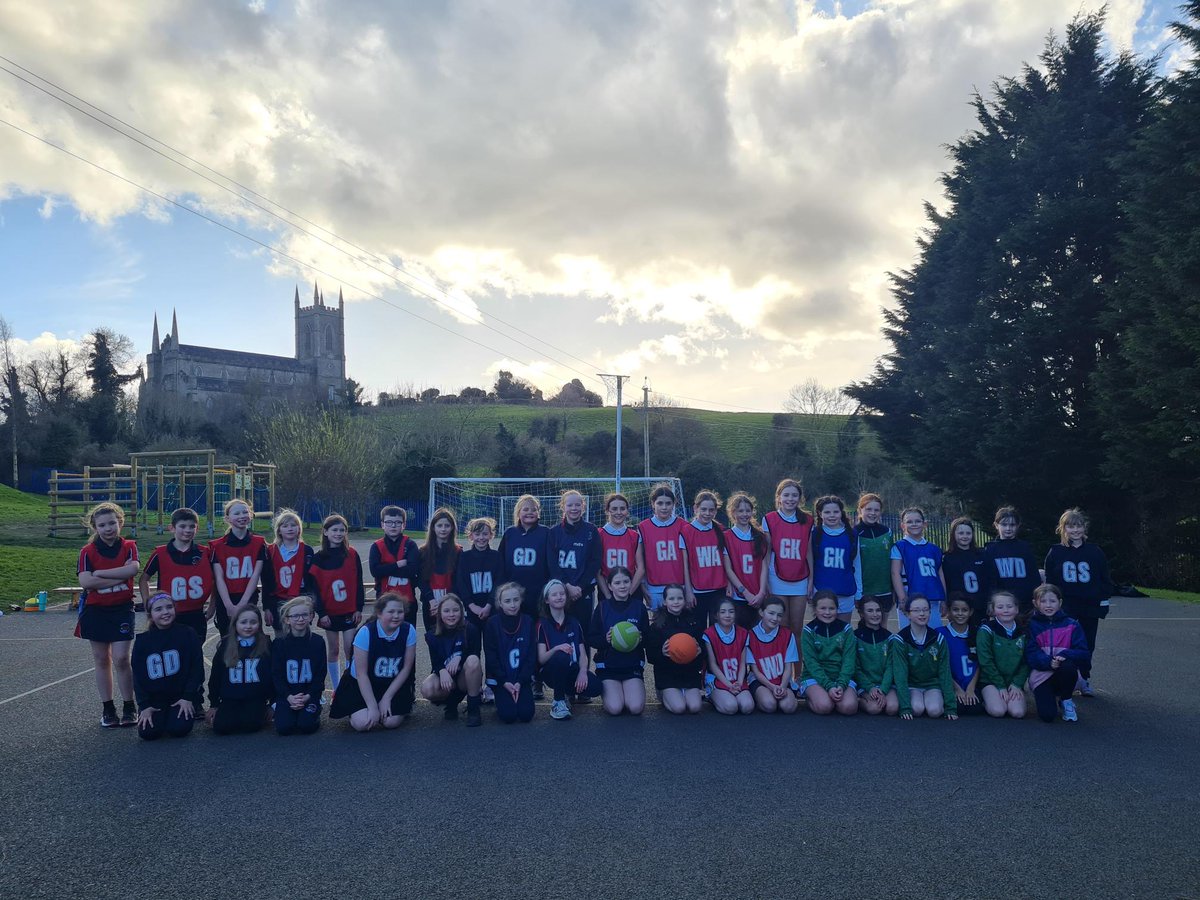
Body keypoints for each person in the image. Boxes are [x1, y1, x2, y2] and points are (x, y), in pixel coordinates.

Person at [76, 501, 141, 728]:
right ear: (95, 527)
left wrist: (101, 574)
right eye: (102, 525)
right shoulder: (87, 552)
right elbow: (85, 581)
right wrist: (119, 575)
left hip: (122, 609)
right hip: (96, 611)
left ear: (120, 522)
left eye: (112, 523)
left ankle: (130, 706)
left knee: (122, 659)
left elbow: (132, 570)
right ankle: (108, 708)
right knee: (101, 659)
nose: (108, 528)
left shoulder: (129, 546)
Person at [1044, 508, 1113, 696]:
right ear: (1063, 529)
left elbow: (1104, 579)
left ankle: (1084, 678)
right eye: (1071, 526)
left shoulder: (1094, 551)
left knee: (1087, 644)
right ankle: (1063, 679)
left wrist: (1101, 601)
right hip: (1067, 607)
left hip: (1089, 607)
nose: (1075, 530)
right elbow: (1050, 582)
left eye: (1079, 526)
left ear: (1084, 528)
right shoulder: (1056, 552)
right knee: (1064, 644)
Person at [328, 593, 417, 731]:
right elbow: (361, 674)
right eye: (391, 611)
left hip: (391, 683)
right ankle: (356, 711)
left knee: (390, 723)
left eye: (400, 611)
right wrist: (372, 706)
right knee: (363, 724)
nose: (396, 615)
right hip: (364, 683)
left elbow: (406, 668)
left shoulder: (408, 630)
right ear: (380, 614)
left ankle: (396, 706)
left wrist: (387, 698)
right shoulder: (366, 632)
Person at [132, 593, 204, 741]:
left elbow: (196, 668)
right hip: (155, 699)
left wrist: (188, 697)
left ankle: (176, 714)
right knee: (148, 733)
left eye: (169, 607)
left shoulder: (188, 633)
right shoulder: (143, 641)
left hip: (179, 696)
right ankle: (159, 715)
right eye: (158, 609)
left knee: (179, 729)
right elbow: (137, 676)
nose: (165, 612)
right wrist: (144, 705)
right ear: (150, 615)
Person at [305, 513, 365, 690]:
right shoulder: (318, 558)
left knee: (350, 650)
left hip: (349, 611)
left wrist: (358, 608)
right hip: (329, 614)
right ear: (325, 532)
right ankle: (337, 688)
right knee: (333, 650)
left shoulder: (352, 554)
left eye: (342, 530)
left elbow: (358, 582)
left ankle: (349, 687)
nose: (338, 533)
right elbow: (314, 590)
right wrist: (321, 613)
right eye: (334, 530)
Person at [139, 507, 213, 645]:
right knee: (169, 653)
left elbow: (216, 581)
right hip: (168, 614)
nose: (188, 530)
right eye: (182, 526)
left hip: (196, 614)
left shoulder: (205, 553)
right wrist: (148, 604)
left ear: (197, 529)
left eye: (192, 526)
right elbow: (144, 579)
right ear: (172, 528)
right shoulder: (160, 553)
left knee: (194, 654)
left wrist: (212, 607)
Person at [1025, 584, 1090, 723]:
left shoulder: (1072, 624)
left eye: (1052, 601)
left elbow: (1083, 652)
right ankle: (1050, 697)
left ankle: (1066, 699)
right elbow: (1030, 654)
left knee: (1067, 665)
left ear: (1060, 602)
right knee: (1047, 716)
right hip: (1042, 675)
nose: (1048, 605)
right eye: (1043, 601)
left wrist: (1065, 655)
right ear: (1035, 603)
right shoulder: (1031, 625)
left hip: (1065, 673)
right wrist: (1048, 662)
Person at [589, 566, 650, 716]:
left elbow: (648, 639)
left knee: (635, 708)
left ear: (631, 583)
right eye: (617, 583)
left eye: (626, 581)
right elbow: (591, 638)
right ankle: (612, 692)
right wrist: (606, 639)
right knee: (615, 708)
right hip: (609, 666)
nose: (622, 586)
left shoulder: (639, 607)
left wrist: (641, 639)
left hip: (631, 665)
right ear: (609, 586)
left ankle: (629, 689)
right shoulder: (602, 608)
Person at [537, 579, 601, 720]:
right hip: (551, 671)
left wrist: (583, 672)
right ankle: (558, 702)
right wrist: (556, 649)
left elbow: (582, 654)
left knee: (596, 687)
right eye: (554, 595)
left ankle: (567, 692)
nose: (559, 597)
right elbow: (541, 658)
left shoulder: (574, 622)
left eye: (562, 594)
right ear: (547, 600)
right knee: (561, 656)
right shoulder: (543, 624)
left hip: (573, 670)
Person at [206, 606, 273, 735]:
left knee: (251, 725)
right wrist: (214, 704)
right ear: (235, 623)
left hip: (255, 697)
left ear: (259, 624)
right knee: (221, 727)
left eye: (253, 622)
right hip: (231, 698)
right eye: (243, 622)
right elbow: (216, 676)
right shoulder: (225, 645)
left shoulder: (266, 644)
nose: (248, 626)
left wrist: (272, 703)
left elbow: (272, 675)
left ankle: (257, 712)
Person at [762, 478, 814, 645]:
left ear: (800, 498)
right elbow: (767, 553)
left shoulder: (807, 520)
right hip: (777, 577)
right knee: (781, 626)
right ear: (779, 497)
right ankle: (781, 669)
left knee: (796, 628)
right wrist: (766, 581)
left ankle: (797, 671)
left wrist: (811, 580)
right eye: (786, 495)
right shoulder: (769, 519)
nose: (790, 499)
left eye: (794, 495)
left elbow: (808, 552)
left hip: (800, 579)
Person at [419, 593, 484, 727]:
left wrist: (459, 658)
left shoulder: (470, 629)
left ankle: (473, 709)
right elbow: (436, 661)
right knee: (427, 688)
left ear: (461, 611)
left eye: (455, 610)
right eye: (446, 611)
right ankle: (451, 703)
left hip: (463, 677)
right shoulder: (433, 634)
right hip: (447, 676)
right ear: (439, 613)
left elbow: (475, 654)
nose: (451, 614)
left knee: (472, 661)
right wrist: (442, 671)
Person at [890, 594, 957, 721]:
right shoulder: (900, 640)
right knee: (916, 708)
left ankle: (937, 701)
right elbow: (900, 674)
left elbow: (945, 672)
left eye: (925, 610)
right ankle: (914, 701)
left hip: (932, 685)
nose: (922, 614)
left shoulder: (938, 638)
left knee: (935, 711)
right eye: (916, 610)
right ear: (908, 614)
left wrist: (950, 707)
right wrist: (905, 707)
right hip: (912, 685)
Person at [547, 490, 602, 642]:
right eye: (570, 505)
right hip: (560, 591)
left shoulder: (591, 531)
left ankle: (583, 666)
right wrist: (567, 586)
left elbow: (595, 561)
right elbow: (552, 564)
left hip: (583, 592)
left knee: (583, 633)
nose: (574, 508)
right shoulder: (554, 532)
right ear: (563, 507)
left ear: (583, 507)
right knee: (560, 632)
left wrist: (580, 586)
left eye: (578, 505)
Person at [208, 498, 267, 638]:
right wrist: (228, 605)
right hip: (225, 598)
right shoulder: (217, 546)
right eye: (236, 513)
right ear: (228, 518)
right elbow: (219, 578)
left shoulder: (259, 543)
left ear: (251, 515)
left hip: (248, 597)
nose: (241, 516)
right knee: (227, 639)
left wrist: (243, 603)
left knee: (252, 639)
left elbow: (255, 575)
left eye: (245, 512)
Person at [271, 595, 326, 736]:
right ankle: (281, 708)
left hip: (309, 695)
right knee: (284, 728)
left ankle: (314, 710)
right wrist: (288, 696)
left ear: (311, 616)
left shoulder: (318, 642)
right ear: (287, 619)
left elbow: (320, 675)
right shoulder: (279, 643)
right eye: (295, 616)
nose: (300, 619)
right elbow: (276, 675)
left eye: (304, 615)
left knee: (306, 726)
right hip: (287, 695)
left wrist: (308, 696)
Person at [646, 584, 705, 714]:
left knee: (695, 707)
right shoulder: (657, 625)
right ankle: (663, 694)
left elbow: (703, 651)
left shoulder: (693, 622)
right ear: (664, 601)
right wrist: (661, 652)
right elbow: (650, 656)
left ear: (684, 600)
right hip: (667, 676)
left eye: (679, 598)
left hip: (689, 675)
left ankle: (685, 693)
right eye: (671, 599)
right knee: (679, 708)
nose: (676, 602)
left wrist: (699, 653)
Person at [485, 582, 538, 723]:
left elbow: (531, 656)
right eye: (507, 601)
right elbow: (491, 657)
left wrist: (521, 681)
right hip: (503, 680)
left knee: (526, 715)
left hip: (521, 679)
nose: (512, 605)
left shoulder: (528, 621)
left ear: (521, 600)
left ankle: (523, 692)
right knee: (508, 716)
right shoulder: (492, 623)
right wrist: (504, 681)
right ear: (500, 603)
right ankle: (500, 696)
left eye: (516, 600)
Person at [799, 590, 858, 715]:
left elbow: (849, 660)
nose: (827, 612)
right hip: (815, 677)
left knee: (848, 707)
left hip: (840, 677)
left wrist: (841, 684)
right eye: (823, 608)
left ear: (837, 609)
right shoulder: (809, 631)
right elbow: (811, 663)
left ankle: (835, 695)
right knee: (824, 706)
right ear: (815, 610)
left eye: (831, 608)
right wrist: (828, 686)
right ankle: (810, 696)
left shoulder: (846, 629)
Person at [890, 507, 948, 629]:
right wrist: (902, 598)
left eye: (917, 521)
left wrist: (943, 598)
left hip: (932, 598)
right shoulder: (900, 546)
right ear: (902, 525)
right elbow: (895, 573)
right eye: (909, 522)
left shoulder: (934, 549)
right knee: (910, 637)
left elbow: (940, 574)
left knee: (933, 634)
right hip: (910, 599)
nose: (914, 524)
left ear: (924, 524)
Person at [976, 590, 1029, 719]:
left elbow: (1027, 661)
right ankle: (985, 699)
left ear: (1016, 609)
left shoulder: (1023, 631)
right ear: (993, 610)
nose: (1005, 610)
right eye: (1000, 607)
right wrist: (1000, 685)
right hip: (991, 681)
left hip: (1013, 681)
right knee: (998, 711)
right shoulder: (986, 630)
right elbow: (985, 661)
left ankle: (1015, 694)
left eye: (1009, 606)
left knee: (1017, 713)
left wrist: (1017, 683)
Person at [809, 496, 862, 623]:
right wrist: (810, 589)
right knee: (823, 634)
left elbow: (857, 564)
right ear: (820, 514)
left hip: (845, 590)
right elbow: (809, 564)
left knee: (842, 632)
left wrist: (859, 591)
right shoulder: (814, 534)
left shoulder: (852, 534)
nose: (832, 515)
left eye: (836, 512)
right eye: (827, 512)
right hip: (821, 591)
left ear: (841, 513)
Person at [722, 492, 769, 629]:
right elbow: (728, 569)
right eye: (740, 511)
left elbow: (764, 566)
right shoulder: (727, 536)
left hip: (758, 596)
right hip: (739, 596)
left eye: (748, 510)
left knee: (757, 637)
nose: (744, 514)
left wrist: (761, 592)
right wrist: (745, 592)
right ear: (733, 512)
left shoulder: (760, 536)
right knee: (740, 636)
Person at [637, 483, 687, 612]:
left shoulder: (683, 525)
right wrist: (643, 587)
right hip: (654, 588)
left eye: (668, 503)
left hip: (679, 587)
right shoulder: (643, 527)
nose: (664, 507)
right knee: (657, 626)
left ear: (674, 504)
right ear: (653, 504)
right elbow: (639, 560)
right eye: (660, 503)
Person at [498, 495, 551, 617]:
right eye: (525, 509)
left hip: (538, 592)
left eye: (534, 510)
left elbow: (551, 562)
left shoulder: (546, 533)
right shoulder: (510, 533)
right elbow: (501, 562)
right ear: (518, 512)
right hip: (514, 593)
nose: (530, 512)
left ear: (538, 513)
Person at [982, 506, 1041, 613]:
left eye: (1012, 525)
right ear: (996, 525)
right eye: (1004, 525)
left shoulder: (1025, 548)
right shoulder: (990, 549)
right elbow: (989, 580)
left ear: (1018, 526)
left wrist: (1036, 599)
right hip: (1001, 605)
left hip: (1025, 603)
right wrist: (991, 601)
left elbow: (1034, 577)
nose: (1008, 528)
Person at [682, 490, 729, 627]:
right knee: (699, 630)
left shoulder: (721, 530)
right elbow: (685, 565)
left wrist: (729, 585)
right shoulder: (686, 531)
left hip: (719, 589)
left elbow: (727, 563)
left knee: (718, 629)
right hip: (697, 591)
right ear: (695, 508)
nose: (707, 513)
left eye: (711, 510)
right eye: (703, 509)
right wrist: (688, 591)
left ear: (715, 511)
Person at [368, 505, 421, 625]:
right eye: (389, 522)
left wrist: (385, 568)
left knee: (407, 635)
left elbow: (412, 570)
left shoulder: (410, 544)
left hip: (408, 600)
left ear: (404, 525)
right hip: (384, 601)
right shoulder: (376, 546)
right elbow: (375, 571)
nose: (393, 526)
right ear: (382, 524)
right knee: (385, 635)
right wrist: (397, 565)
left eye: (397, 522)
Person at [263, 508, 313, 636]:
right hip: (278, 599)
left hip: (300, 598)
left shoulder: (307, 551)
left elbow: (311, 580)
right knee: (280, 636)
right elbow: (266, 581)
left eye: (293, 525)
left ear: (299, 529)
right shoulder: (271, 551)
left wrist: (311, 604)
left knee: (301, 634)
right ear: (279, 530)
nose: (290, 529)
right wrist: (267, 607)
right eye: (285, 526)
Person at [746, 597, 799, 714]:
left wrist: (783, 686)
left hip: (781, 679)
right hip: (761, 680)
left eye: (779, 615)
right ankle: (759, 697)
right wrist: (772, 687)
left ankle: (788, 695)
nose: (775, 618)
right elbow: (756, 671)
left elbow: (788, 667)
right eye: (771, 613)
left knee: (788, 707)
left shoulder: (787, 635)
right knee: (769, 705)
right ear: (761, 612)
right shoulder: (750, 636)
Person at [703, 597, 754, 715]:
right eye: (723, 612)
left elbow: (742, 663)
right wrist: (729, 685)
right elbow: (713, 665)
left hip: (736, 678)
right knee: (731, 707)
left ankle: (729, 693)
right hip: (719, 678)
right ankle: (711, 694)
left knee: (747, 707)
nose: (727, 615)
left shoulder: (743, 633)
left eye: (731, 611)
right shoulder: (709, 634)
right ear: (716, 615)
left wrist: (739, 683)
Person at [938, 594, 983, 716]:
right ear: (949, 611)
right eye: (955, 609)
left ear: (971, 612)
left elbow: (980, 664)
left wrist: (970, 688)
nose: (960, 613)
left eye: (964, 610)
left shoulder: (978, 633)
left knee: (976, 710)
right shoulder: (940, 634)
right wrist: (957, 689)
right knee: (959, 708)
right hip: (951, 685)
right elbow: (941, 666)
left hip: (971, 684)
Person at [853, 596, 898, 716]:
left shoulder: (889, 637)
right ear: (862, 614)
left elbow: (891, 666)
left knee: (892, 708)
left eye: (878, 610)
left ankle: (880, 695)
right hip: (866, 685)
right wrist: (870, 687)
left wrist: (883, 689)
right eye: (870, 611)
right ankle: (858, 699)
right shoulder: (854, 637)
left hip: (884, 684)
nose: (875, 614)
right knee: (874, 708)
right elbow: (855, 667)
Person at [454, 517, 502, 630]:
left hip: (492, 609)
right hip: (471, 610)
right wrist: (471, 605)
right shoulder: (464, 557)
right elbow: (461, 583)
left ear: (491, 535)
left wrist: (489, 605)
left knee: (492, 645)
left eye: (485, 534)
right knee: (471, 645)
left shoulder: (497, 557)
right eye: (477, 534)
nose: (481, 538)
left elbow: (499, 582)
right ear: (471, 536)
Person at [419, 507, 461, 631]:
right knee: (433, 639)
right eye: (440, 525)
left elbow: (458, 580)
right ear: (433, 527)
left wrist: (447, 603)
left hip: (451, 605)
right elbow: (421, 580)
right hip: (430, 603)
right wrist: (431, 600)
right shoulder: (423, 552)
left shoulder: (458, 552)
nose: (443, 529)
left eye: (447, 525)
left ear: (452, 527)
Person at [598, 492, 645, 602]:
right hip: (607, 591)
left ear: (627, 511)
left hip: (630, 590)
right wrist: (608, 595)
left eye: (622, 508)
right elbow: (598, 571)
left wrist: (629, 593)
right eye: (614, 509)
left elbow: (641, 568)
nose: (618, 512)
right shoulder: (599, 535)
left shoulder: (634, 536)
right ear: (607, 511)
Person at [854, 493, 894, 617]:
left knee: (882, 627)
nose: (873, 513)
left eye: (876, 510)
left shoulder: (887, 532)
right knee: (867, 626)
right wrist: (858, 592)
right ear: (860, 510)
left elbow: (893, 561)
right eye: (868, 509)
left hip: (886, 589)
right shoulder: (854, 533)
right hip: (865, 590)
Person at [941, 516, 986, 625]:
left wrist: (989, 602)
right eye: (961, 533)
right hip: (957, 607)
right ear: (953, 535)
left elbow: (987, 580)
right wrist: (946, 604)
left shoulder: (981, 555)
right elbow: (945, 583)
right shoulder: (946, 557)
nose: (965, 536)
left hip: (979, 605)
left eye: (968, 533)